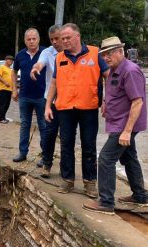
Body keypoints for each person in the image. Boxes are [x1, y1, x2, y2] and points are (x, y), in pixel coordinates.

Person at [83, 36, 147, 215]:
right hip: (119, 121)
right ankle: (141, 196)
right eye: (103, 54)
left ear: (121, 51)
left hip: (125, 125)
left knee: (105, 159)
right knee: (129, 157)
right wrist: (106, 103)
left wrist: (127, 132)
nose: (106, 57)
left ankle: (106, 202)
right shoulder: (114, 69)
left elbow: (137, 102)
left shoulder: (130, 71)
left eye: (110, 53)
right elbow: (114, 91)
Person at [44, 23, 109, 197]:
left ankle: (89, 183)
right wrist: (47, 105)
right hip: (65, 108)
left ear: (77, 37)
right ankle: (67, 180)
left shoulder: (95, 54)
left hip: (88, 107)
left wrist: (109, 99)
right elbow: (54, 83)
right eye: (62, 39)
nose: (64, 41)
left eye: (67, 38)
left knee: (88, 145)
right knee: (66, 145)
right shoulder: (59, 58)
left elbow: (109, 76)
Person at [30, 24, 64, 177]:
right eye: (52, 39)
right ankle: (46, 163)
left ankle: (66, 167)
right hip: (50, 100)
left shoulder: (71, 53)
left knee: (67, 136)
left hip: (68, 101)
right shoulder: (47, 52)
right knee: (49, 134)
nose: (55, 42)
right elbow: (40, 62)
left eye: (57, 38)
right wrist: (35, 68)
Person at [11, 28, 47, 164]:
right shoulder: (20, 55)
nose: (31, 41)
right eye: (29, 39)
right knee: (24, 124)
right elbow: (13, 72)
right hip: (24, 96)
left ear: (38, 39)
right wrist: (14, 89)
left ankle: (45, 155)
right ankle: (22, 152)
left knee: (43, 126)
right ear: (25, 40)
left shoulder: (45, 53)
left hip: (42, 97)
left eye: (34, 39)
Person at [0, 55, 14, 123]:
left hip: (9, 90)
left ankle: (3, 117)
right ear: (6, 60)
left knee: (7, 104)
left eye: (12, 60)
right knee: (2, 104)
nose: (11, 61)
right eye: (9, 59)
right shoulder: (2, 67)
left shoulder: (10, 70)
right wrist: (5, 82)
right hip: (2, 89)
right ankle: (1, 118)